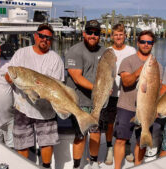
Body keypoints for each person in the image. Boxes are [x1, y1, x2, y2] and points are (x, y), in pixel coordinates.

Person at [5, 23, 64, 168]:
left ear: (52, 40)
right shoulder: (21, 53)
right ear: (36, 36)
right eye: (42, 36)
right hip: (23, 107)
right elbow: (8, 76)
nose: (45, 40)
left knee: (47, 141)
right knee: (22, 141)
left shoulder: (56, 59)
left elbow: (59, 86)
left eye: (49, 38)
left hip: (46, 109)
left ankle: (46, 166)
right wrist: (17, 80)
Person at [113, 30, 163, 168]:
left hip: (147, 109)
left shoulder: (158, 66)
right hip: (126, 107)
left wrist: (156, 109)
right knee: (120, 140)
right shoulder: (128, 61)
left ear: (153, 45)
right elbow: (127, 82)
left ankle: (137, 165)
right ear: (137, 43)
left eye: (149, 42)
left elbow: (158, 90)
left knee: (141, 142)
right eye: (143, 42)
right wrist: (140, 71)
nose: (146, 45)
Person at [65, 20, 106, 169]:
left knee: (95, 133)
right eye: (89, 32)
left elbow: (109, 74)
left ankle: (93, 163)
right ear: (84, 33)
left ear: (99, 35)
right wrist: (99, 89)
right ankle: (76, 166)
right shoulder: (75, 51)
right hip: (79, 102)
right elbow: (76, 77)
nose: (92, 35)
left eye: (96, 33)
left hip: (97, 102)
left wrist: (106, 87)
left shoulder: (104, 52)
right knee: (81, 135)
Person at [104, 23, 136, 165]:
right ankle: (110, 147)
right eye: (116, 34)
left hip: (127, 93)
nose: (118, 37)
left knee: (128, 121)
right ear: (112, 36)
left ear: (125, 36)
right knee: (110, 123)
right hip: (111, 94)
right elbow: (103, 72)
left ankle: (127, 145)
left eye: (121, 34)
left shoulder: (131, 50)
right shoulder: (107, 51)